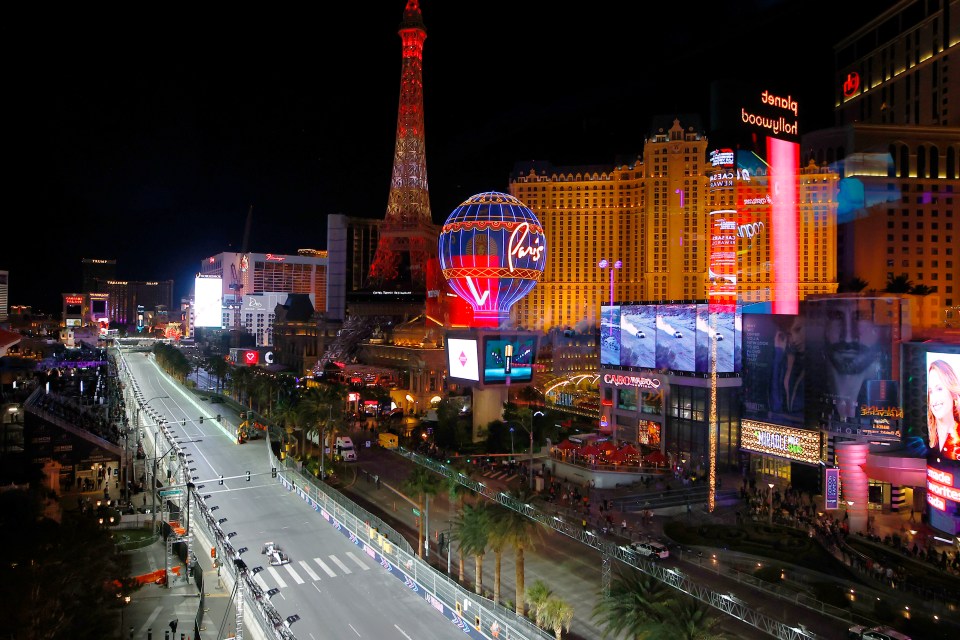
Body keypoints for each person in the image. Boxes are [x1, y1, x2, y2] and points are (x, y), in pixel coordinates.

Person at [819, 298, 887, 420]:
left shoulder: (891, 393)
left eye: (861, 316)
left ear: (879, 329)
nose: (848, 338)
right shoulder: (809, 390)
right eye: (837, 316)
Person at [771, 315, 805, 416]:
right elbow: (775, 405)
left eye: (798, 329)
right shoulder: (787, 362)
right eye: (789, 334)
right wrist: (778, 352)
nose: (794, 339)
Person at [927, 359, 960, 460]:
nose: (934, 399)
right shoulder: (926, 435)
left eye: (939, 389)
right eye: (930, 391)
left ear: (953, 394)